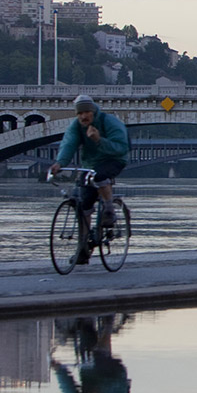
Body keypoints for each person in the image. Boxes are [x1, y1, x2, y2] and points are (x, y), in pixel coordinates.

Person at [48, 95, 130, 265]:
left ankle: (109, 209)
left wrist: (99, 140)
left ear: (93, 111)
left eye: (86, 112)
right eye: (80, 114)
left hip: (114, 159)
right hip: (90, 164)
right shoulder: (76, 127)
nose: (83, 117)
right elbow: (68, 144)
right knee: (83, 204)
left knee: (100, 176)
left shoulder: (109, 122)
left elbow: (121, 147)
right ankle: (83, 248)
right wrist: (59, 163)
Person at [52, 316, 132, 393]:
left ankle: (86, 321)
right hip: (115, 374)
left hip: (88, 369)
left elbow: (66, 386)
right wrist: (98, 391)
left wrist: (56, 367)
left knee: (84, 334)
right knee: (99, 355)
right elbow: (119, 384)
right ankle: (108, 326)